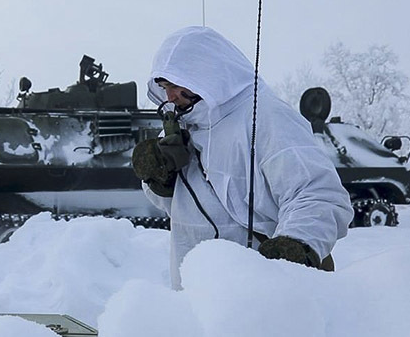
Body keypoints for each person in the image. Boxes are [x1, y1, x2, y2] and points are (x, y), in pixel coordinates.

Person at [132, 26, 353, 290]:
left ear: (206, 75)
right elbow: (179, 206)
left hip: (263, 290)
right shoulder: (181, 124)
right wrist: (160, 180)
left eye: (177, 85)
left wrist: (295, 244)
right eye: (165, 87)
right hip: (193, 292)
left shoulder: (265, 117)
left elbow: (317, 193)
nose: (170, 97)